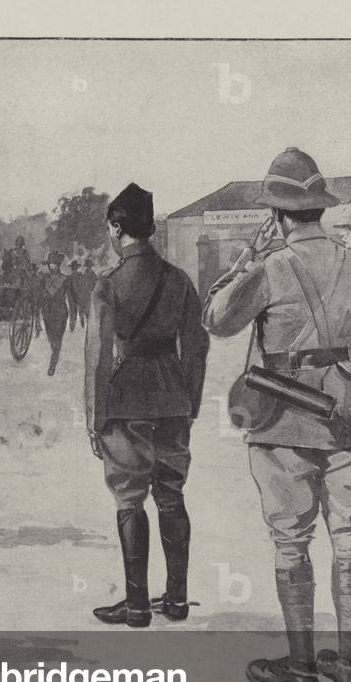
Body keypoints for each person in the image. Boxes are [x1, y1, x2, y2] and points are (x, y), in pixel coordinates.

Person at [204, 148, 351, 682]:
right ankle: (349, 665)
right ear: (319, 209)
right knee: (348, 538)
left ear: (277, 214)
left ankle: (302, 668)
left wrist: (245, 258)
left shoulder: (270, 267)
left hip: (284, 421)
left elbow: (217, 320)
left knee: (291, 544)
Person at [86, 183, 209, 628]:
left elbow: (99, 357)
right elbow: (196, 347)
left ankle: (138, 605)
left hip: (125, 401)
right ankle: (176, 599)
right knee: (172, 495)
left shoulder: (108, 285)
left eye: (109, 227)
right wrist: (189, 402)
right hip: (173, 399)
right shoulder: (179, 280)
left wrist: (94, 417)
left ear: (118, 228)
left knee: (129, 498)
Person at [37, 252, 76, 377]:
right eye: (50, 264)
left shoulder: (66, 280)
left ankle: (52, 364)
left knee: (57, 340)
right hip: (47, 312)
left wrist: (73, 319)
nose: (51, 266)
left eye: (54, 264)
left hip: (60, 313)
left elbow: (71, 299)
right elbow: (38, 299)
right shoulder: (43, 280)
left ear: (58, 265)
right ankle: (54, 356)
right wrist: (37, 320)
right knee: (51, 338)